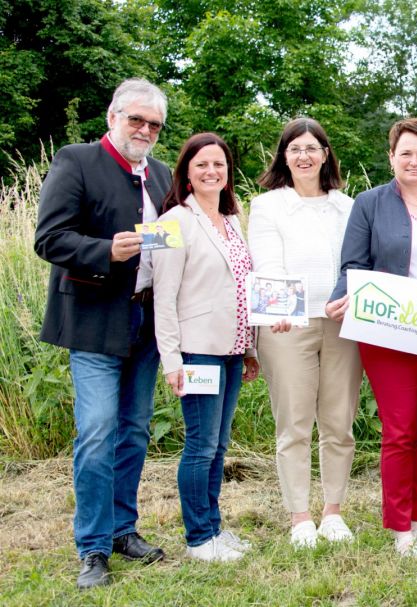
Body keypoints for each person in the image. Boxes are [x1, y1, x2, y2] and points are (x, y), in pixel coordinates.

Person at [34, 78, 170, 589]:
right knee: (96, 432)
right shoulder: (76, 161)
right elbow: (49, 238)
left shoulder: (161, 174)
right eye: (137, 119)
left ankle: (122, 530)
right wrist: (104, 251)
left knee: (134, 430)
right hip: (93, 321)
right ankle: (92, 547)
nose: (145, 130)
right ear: (112, 117)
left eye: (154, 124)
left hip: (146, 323)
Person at [326, 118, 417, 556]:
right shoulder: (369, 203)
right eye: (405, 153)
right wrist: (339, 298)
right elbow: (352, 264)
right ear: (391, 157)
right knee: (401, 429)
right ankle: (400, 528)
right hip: (387, 330)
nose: (414, 161)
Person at [247, 118, 363, 549]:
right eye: (295, 148)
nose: (304, 156)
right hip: (287, 326)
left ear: (326, 155)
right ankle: (300, 517)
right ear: (284, 156)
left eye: (313, 148)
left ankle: (333, 512)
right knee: (294, 423)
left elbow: (357, 261)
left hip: (342, 325)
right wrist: (279, 305)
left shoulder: (348, 206)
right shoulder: (267, 206)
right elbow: (268, 262)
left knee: (338, 422)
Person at [152, 133, 260, 562]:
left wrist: (250, 348)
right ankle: (199, 538)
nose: (211, 171)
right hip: (196, 352)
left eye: (219, 164)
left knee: (218, 445)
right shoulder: (169, 223)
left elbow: (241, 289)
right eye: (202, 165)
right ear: (186, 172)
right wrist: (171, 361)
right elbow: (162, 297)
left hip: (231, 349)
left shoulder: (232, 220)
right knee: (200, 445)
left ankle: (214, 528)